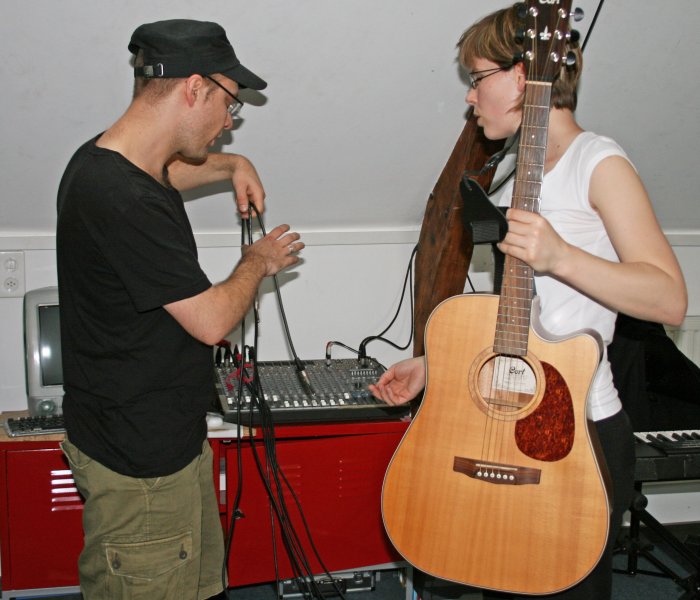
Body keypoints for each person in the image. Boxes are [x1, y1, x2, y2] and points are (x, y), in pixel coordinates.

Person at [370, 4, 687, 600]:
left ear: (522, 77)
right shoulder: (523, 172)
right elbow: (536, 319)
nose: (470, 97)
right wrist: (437, 366)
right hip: (510, 412)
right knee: (498, 578)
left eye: (476, 78)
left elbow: (669, 298)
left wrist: (561, 255)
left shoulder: (599, 162)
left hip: (578, 432)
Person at [56, 19, 303, 600]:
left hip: (167, 443)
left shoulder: (112, 161)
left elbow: (171, 171)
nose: (229, 123)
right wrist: (257, 261)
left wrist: (233, 165)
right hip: (139, 466)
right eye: (229, 104)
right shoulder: (122, 199)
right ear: (194, 88)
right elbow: (212, 321)